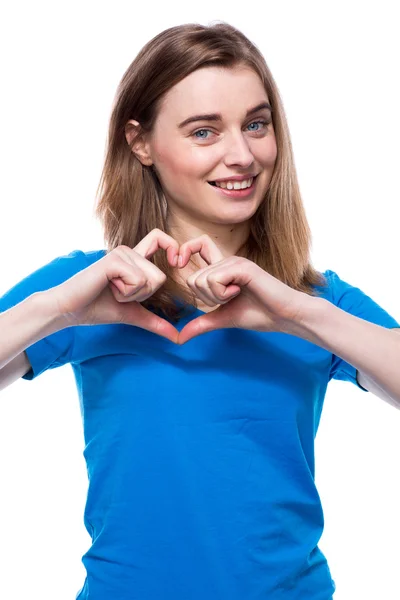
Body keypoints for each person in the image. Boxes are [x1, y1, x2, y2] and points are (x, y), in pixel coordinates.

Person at [0, 22, 399, 600]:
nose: (242, 156)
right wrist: (59, 309)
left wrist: (295, 313)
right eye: (204, 131)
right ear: (140, 143)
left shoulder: (317, 302)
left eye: (256, 125)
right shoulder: (85, 289)